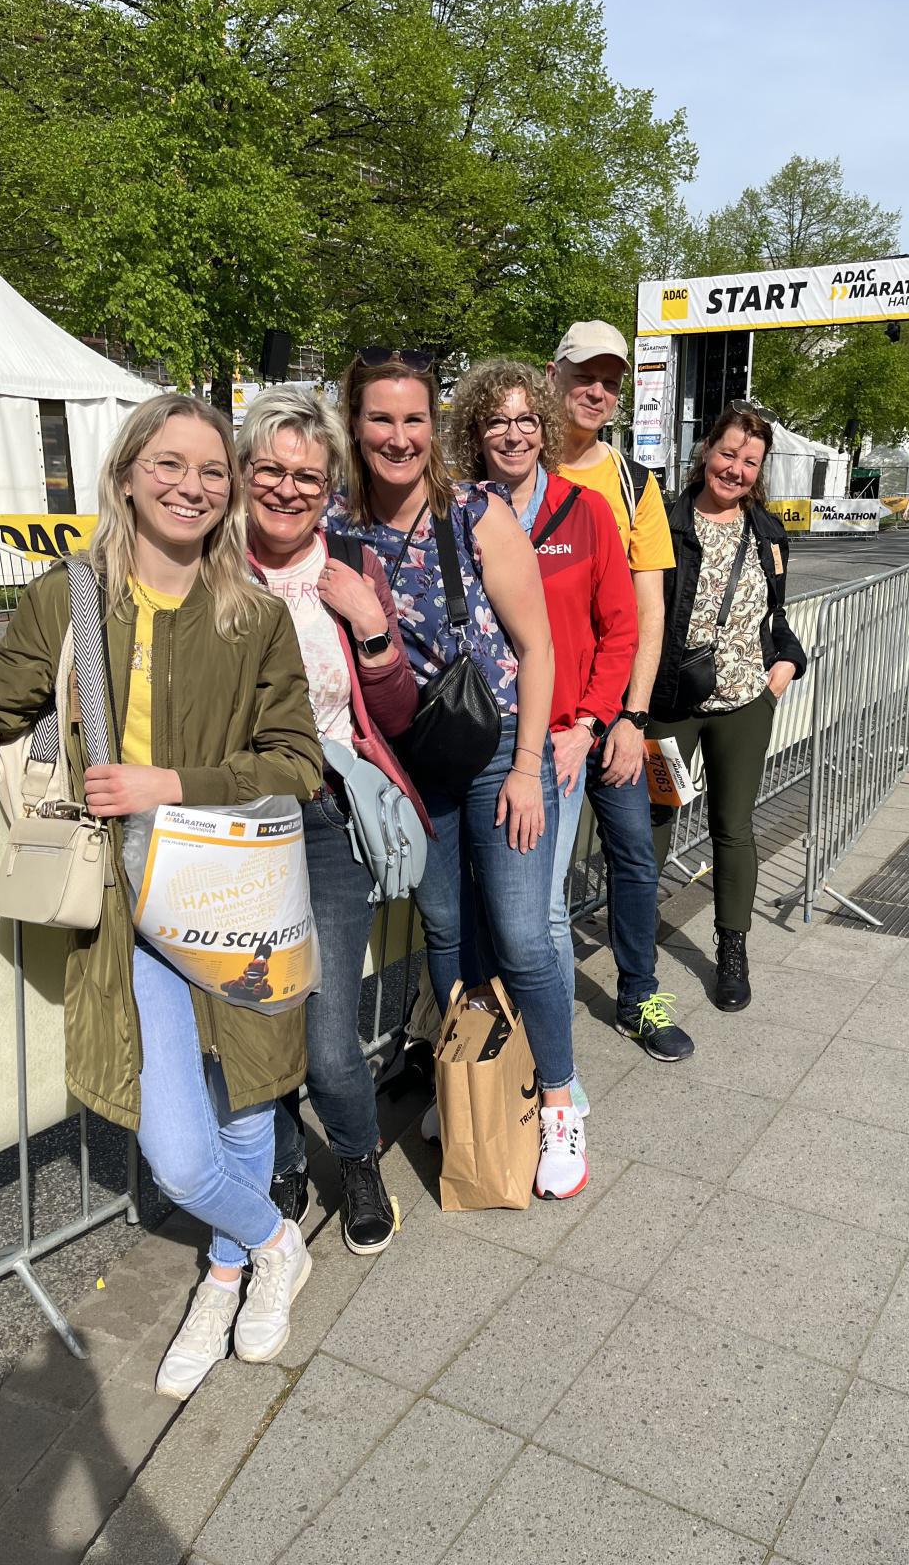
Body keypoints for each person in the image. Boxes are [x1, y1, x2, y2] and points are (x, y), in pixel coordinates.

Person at [0, 394, 323, 1400]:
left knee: (246, 1107)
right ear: (127, 473)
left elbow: (299, 764)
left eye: (211, 471)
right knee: (181, 1156)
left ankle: (229, 1273)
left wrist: (170, 785)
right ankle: (277, 1240)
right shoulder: (67, 598)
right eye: (171, 464)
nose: (192, 485)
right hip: (126, 916)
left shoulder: (256, 615)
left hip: (235, 895)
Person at [327, 349, 587, 1200]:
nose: (398, 438)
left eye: (413, 420)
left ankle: (556, 1099)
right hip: (410, 763)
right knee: (446, 932)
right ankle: (467, 1072)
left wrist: (524, 768)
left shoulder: (476, 511)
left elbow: (537, 645)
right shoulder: (336, 525)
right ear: (354, 422)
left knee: (521, 935)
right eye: (380, 419)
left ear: (433, 424)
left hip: (497, 745)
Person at [239, 385, 421, 1255]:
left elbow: (394, 705)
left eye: (307, 475)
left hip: (327, 817)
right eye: (269, 469)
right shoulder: (211, 569)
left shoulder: (349, 565)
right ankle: (280, 1161)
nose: (288, 488)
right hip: (232, 829)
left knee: (326, 1030)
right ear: (242, 475)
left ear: (328, 483)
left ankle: (357, 1158)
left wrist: (374, 626)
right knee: (254, 1015)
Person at [448, 359, 638, 1104]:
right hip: (472, 738)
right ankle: (489, 1066)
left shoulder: (584, 512)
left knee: (540, 919)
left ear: (546, 428)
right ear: (476, 431)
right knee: (475, 918)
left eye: (528, 420)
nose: (515, 434)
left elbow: (619, 630)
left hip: (554, 744)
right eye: (497, 420)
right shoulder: (456, 509)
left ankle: (555, 1076)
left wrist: (587, 724)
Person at [548, 321, 693, 1062]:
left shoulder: (634, 482)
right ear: (554, 375)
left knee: (634, 854)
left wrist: (633, 717)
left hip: (609, 717)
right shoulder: (513, 464)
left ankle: (638, 995)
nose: (597, 391)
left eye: (610, 380)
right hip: (532, 715)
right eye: (585, 376)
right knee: (527, 871)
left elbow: (650, 608)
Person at [648, 404, 807, 1011]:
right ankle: (635, 938)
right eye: (727, 453)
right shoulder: (664, 523)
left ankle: (732, 949)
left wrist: (783, 670)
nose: (735, 469)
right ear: (706, 450)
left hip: (745, 705)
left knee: (733, 829)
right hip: (671, 704)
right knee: (655, 821)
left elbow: (778, 621)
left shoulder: (767, 532)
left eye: (749, 461)